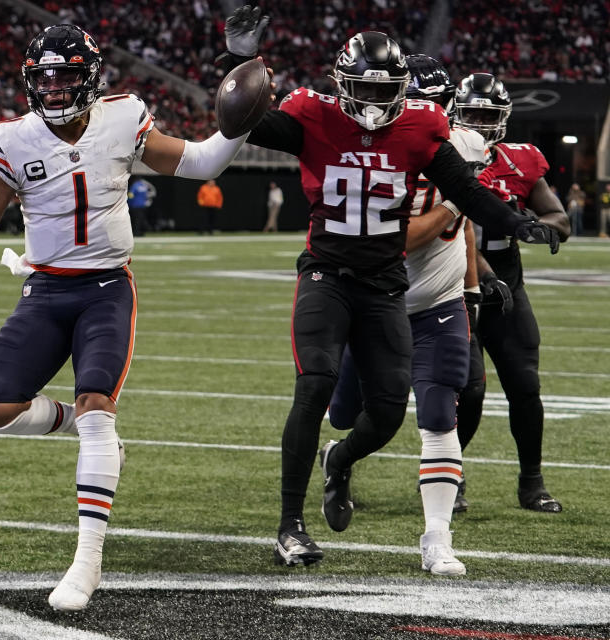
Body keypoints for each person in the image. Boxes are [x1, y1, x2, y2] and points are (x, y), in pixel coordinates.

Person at [0, 23, 255, 611]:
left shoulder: (123, 118)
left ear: (89, 75)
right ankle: (92, 433)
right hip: (44, 289)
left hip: (105, 290)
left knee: (98, 409)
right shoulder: (13, 139)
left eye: (65, 74)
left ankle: (86, 561)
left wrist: (239, 125)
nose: (53, 86)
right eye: (42, 75)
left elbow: (200, 163)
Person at [218, 6, 561, 569]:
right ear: (341, 84)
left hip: (384, 285)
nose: (376, 103)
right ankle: (290, 526)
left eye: (386, 90)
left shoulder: (422, 125)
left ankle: (340, 460)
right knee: (316, 387)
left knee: (386, 411)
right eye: (364, 88)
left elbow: (464, 191)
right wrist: (238, 60)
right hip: (327, 274)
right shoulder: (315, 113)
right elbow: (244, 119)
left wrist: (515, 222)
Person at [326, 55, 489, 576]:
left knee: (440, 417)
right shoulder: (366, 149)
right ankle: (339, 457)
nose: (429, 114)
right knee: (345, 415)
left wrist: (472, 287)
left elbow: (461, 231)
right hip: (378, 301)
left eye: (436, 105)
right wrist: (458, 204)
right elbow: (401, 237)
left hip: (437, 305)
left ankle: (437, 538)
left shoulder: (463, 145)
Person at [453, 72, 571, 513]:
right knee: (470, 391)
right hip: (456, 284)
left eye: (488, 116)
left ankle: (532, 483)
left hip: (507, 284)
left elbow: (559, 217)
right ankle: (449, 475)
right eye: (472, 115)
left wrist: (538, 227)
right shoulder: (441, 158)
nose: (480, 124)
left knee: (525, 385)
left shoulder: (520, 160)